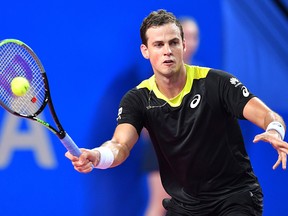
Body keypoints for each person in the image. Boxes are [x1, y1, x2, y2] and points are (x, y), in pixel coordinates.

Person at [66, 9, 288, 216]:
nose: (167, 51)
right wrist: (98, 156)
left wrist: (275, 130)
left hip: (235, 197)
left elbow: (268, 116)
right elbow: (120, 145)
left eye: (173, 43)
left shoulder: (217, 83)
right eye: (158, 44)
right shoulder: (138, 98)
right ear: (145, 51)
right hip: (185, 205)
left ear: (184, 45)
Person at [141, 16, 201, 216]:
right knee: (159, 204)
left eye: (195, 37)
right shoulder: (154, 81)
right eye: (185, 37)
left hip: (194, 154)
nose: (190, 43)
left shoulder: (205, 78)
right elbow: (143, 127)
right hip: (161, 153)